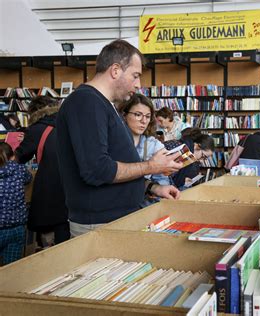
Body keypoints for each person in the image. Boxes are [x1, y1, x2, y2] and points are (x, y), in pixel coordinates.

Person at [56, 39, 182, 237]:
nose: (138, 84)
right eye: (135, 75)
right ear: (115, 70)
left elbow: (119, 167)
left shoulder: (104, 105)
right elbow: (97, 171)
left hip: (113, 219)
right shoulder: (86, 102)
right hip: (99, 223)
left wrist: (154, 187)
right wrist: (152, 166)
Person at [15, 96, 70, 247]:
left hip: (49, 193)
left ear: (33, 112)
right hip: (72, 191)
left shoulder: (36, 129)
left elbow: (19, 157)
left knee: (49, 242)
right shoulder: (68, 123)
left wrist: (21, 142)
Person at [120, 93, 173, 189]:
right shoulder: (113, 141)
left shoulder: (154, 145)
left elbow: (162, 181)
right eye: (138, 115)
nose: (144, 121)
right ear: (124, 115)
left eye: (148, 116)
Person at [0, 143, 32, 265]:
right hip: (17, 228)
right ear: (12, 156)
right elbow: (29, 178)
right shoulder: (19, 169)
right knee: (11, 270)